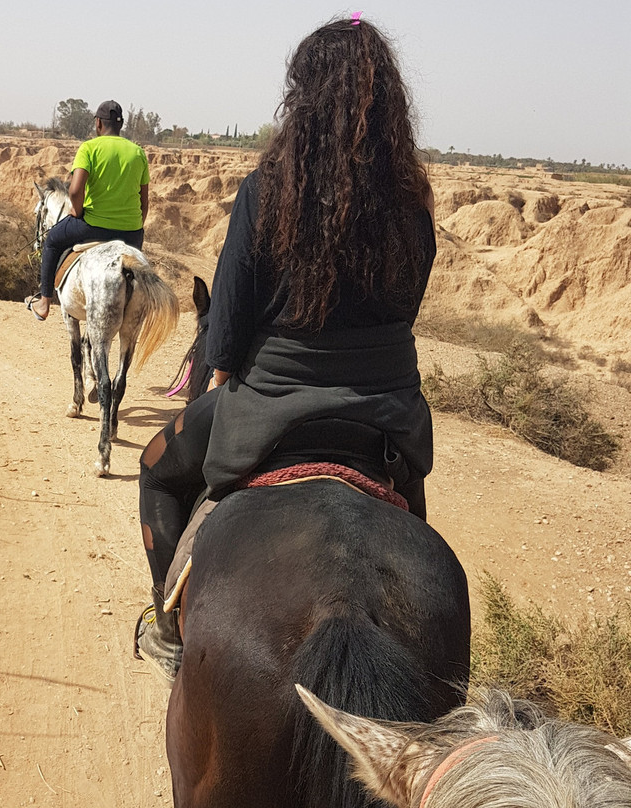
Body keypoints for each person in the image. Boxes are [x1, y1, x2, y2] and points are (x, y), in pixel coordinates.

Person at [134, 16, 438, 682]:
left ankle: (167, 624)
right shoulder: (414, 203)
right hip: (387, 414)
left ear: (302, 96)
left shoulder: (269, 189)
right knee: (420, 531)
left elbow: (232, 319)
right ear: (391, 106)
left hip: (272, 399)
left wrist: (218, 374)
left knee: (158, 470)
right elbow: (408, 309)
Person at [26, 100, 150, 320]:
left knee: (53, 240)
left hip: (94, 227)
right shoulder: (138, 152)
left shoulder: (89, 148)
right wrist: (135, 226)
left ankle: (44, 303)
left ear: (98, 124)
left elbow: (74, 190)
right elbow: (144, 201)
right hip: (131, 233)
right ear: (120, 126)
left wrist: (76, 211)